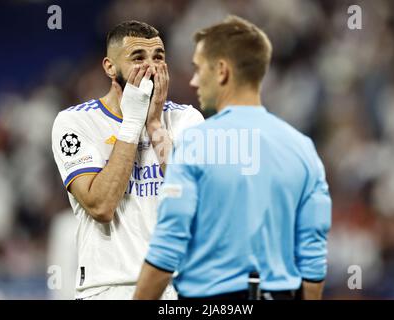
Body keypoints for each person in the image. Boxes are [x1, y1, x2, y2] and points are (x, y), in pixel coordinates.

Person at [134, 16, 332, 300]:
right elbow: (313, 259)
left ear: (222, 71)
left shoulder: (196, 143)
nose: (193, 80)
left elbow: (168, 247)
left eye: (199, 69)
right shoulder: (302, 149)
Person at [51, 20, 204, 300]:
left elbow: (195, 199)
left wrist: (155, 124)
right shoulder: (76, 122)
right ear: (110, 67)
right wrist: (133, 120)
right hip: (108, 288)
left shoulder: (186, 119)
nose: (151, 66)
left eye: (158, 57)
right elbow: (102, 206)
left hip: (175, 288)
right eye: (138, 58)